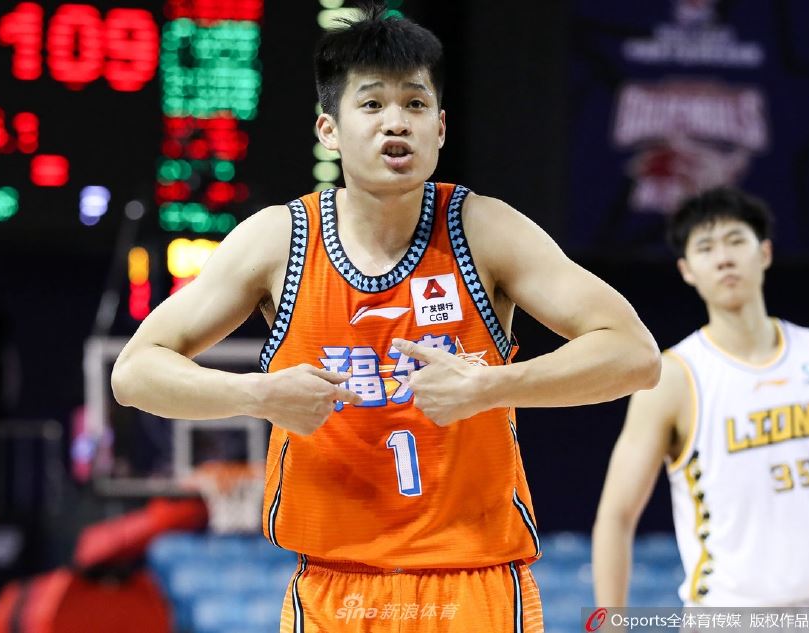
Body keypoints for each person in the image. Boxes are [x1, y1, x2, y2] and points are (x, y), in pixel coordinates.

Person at [112, 5, 660, 631]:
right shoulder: (278, 240)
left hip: (473, 583)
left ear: (441, 128)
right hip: (333, 588)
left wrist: (491, 385)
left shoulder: (485, 230)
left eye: (415, 104)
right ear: (329, 130)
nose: (396, 121)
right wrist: (257, 395)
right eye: (372, 104)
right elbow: (134, 372)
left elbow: (635, 354)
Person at [592, 187, 809, 608]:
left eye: (735, 240)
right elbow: (616, 516)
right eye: (706, 247)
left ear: (765, 252)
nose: (724, 258)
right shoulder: (674, 377)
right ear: (687, 270)